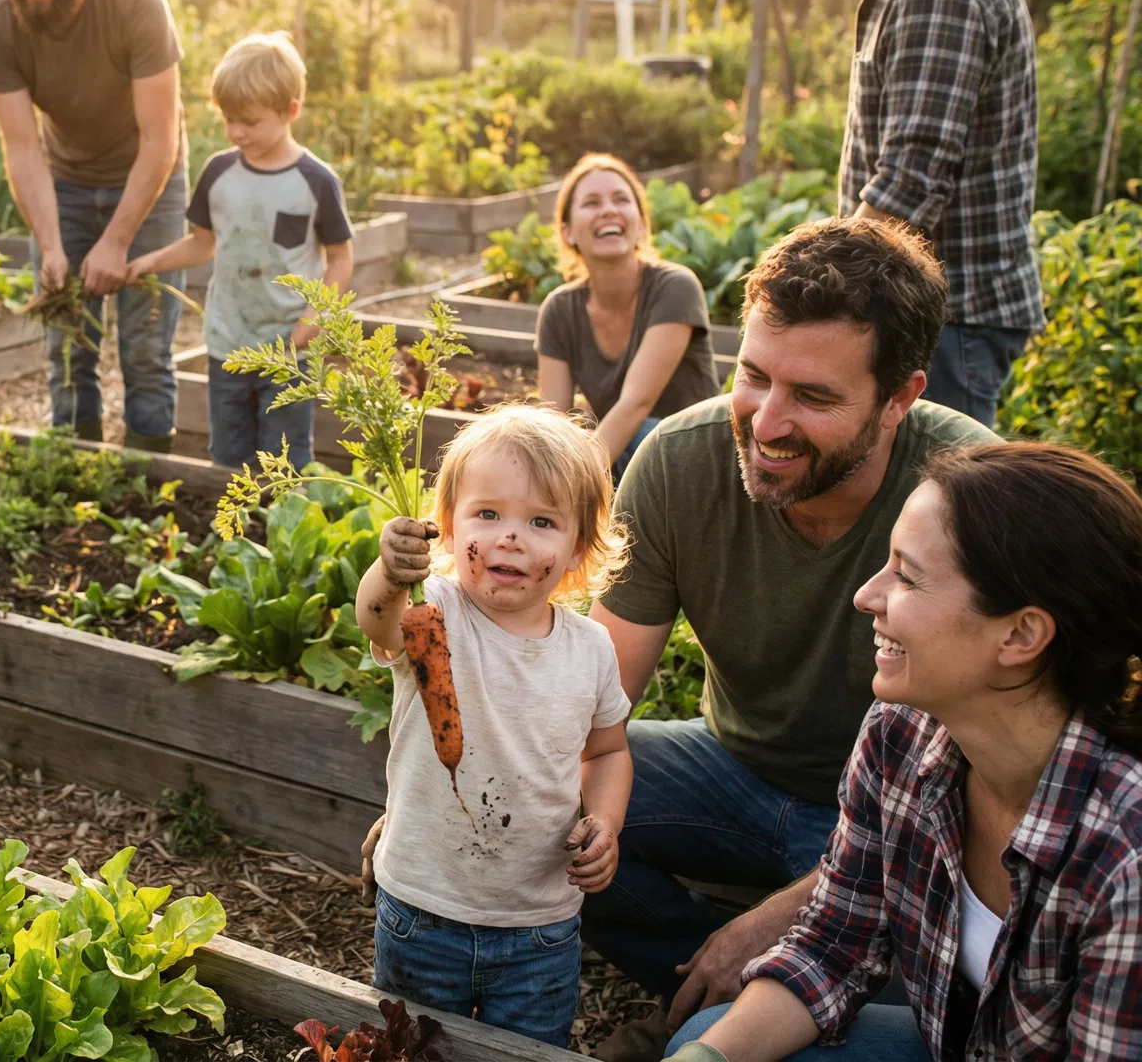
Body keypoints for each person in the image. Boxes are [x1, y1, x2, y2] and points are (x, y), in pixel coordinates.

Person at [579, 218, 998, 1062]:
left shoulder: (971, 495)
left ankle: (734, 1004)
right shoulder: (680, 463)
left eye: (812, 397)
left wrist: (799, 908)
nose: (766, 423)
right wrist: (463, 783)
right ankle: (703, 976)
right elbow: (594, 704)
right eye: (754, 376)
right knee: (538, 808)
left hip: (907, 822)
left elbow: (991, 788)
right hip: (733, 771)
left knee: (933, 967)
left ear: (899, 398)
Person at [664, 442, 1142, 1062]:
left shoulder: (1123, 855)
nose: (867, 595)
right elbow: (832, 945)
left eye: (908, 577)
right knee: (709, 1044)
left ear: (1022, 633)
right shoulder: (902, 733)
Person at [764, 0, 1042, 425]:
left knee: (938, 509)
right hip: (936, 311)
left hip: (944, 317)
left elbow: (907, 187)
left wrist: (809, 298)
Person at [357, 406, 634, 1048]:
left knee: (530, 1051)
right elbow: (375, 621)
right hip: (422, 911)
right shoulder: (434, 612)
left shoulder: (590, 648)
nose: (511, 537)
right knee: (411, 1048)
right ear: (447, 529)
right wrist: (390, 571)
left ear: (577, 549)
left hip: (540, 926)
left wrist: (608, 824)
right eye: (489, 515)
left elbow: (610, 750)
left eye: (541, 522)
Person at [0, 0, 187, 451]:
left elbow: (160, 139)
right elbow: (22, 146)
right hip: (65, 181)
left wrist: (118, 240)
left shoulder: (134, 2)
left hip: (150, 176)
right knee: (66, 341)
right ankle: (74, 474)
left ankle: (152, 486)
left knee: (145, 346)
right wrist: (49, 246)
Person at [126, 33, 353, 470]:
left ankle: (282, 536)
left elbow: (341, 257)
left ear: (290, 110)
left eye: (249, 121)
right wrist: (151, 262)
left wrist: (315, 318)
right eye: (228, 120)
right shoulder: (219, 172)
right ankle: (235, 536)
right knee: (228, 456)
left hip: (289, 347)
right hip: (227, 342)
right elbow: (204, 243)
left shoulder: (316, 181)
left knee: (285, 459)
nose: (235, 132)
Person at [534, 153, 720, 479]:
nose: (608, 209)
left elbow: (637, 402)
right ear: (567, 233)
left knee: (646, 433)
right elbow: (553, 421)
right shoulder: (559, 310)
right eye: (591, 202)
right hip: (622, 462)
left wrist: (572, 483)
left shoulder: (675, 287)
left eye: (622, 199)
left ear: (641, 225)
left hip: (698, 465)